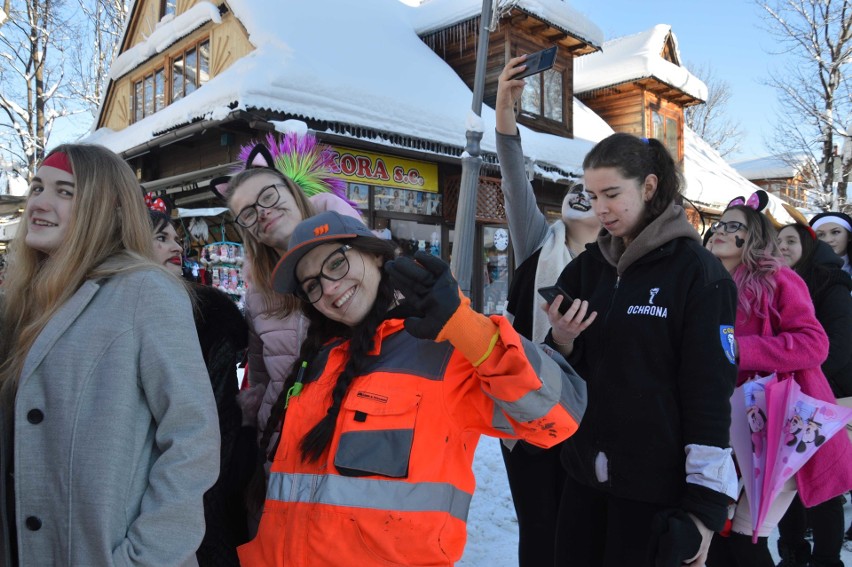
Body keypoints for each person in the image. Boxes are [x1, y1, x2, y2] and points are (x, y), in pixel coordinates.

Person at [236, 211, 587, 566]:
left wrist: (468, 329)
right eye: (311, 285)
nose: (327, 288)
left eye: (336, 263)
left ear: (374, 255)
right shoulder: (316, 366)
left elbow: (559, 417)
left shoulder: (444, 353)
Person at [0, 144, 220, 565]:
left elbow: (193, 437)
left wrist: (144, 556)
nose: (40, 203)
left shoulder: (144, 290)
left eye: (65, 192)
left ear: (106, 209)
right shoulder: (24, 305)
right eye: (37, 187)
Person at [547, 132, 739, 566]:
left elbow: (709, 394)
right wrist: (561, 339)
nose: (600, 208)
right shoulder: (588, 268)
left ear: (649, 187)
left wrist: (704, 511)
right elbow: (557, 369)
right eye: (593, 195)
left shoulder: (698, 274)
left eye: (612, 193)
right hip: (581, 483)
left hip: (653, 496)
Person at [494, 55, 601, 567]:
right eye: (577, 187)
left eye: (596, 192)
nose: (582, 192)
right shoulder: (537, 242)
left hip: (591, 415)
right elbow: (515, 177)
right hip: (528, 404)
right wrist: (504, 114)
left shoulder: (622, 268)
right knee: (538, 524)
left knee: (579, 528)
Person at [705, 196, 852, 567]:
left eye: (733, 225)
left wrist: (743, 349)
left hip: (775, 426)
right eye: (718, 225)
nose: (721, 230)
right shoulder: (707, 282)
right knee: (721, 540)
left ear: (753, 236)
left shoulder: (778, 278)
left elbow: (814, 344)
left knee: (745, 540)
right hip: (723, 427)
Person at [211, 137, 361, 463]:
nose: (262, 212)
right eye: (247, 213)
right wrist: (253, 437)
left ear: (292, 190)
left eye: (268, 195)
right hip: (281, 449)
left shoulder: (358, 258)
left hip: (352, 441)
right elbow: (260, 377)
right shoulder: (258, 294)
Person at [147, 196, 254, 566]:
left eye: (177, 238)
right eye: (161, 238)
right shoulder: (106, 310)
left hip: (208, 484)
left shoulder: (210, 313)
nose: (176, 246)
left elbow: (219, 413)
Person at [775, 222, 852, 567]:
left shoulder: (830, 283)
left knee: (823, 483)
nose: (783, 247)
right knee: (787, 477)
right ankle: (792, 552)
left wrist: (808, 383)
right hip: (784, 394)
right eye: (777, 242)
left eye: (791, 241)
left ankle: (826, 559)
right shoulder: (770, 282)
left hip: (826, 394)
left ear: (807, 247)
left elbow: (838, 348)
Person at [810, 211, 852, 277]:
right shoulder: (805, 272)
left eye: (835, 232)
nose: (828, 240)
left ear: (849, 236)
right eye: (820, 235)